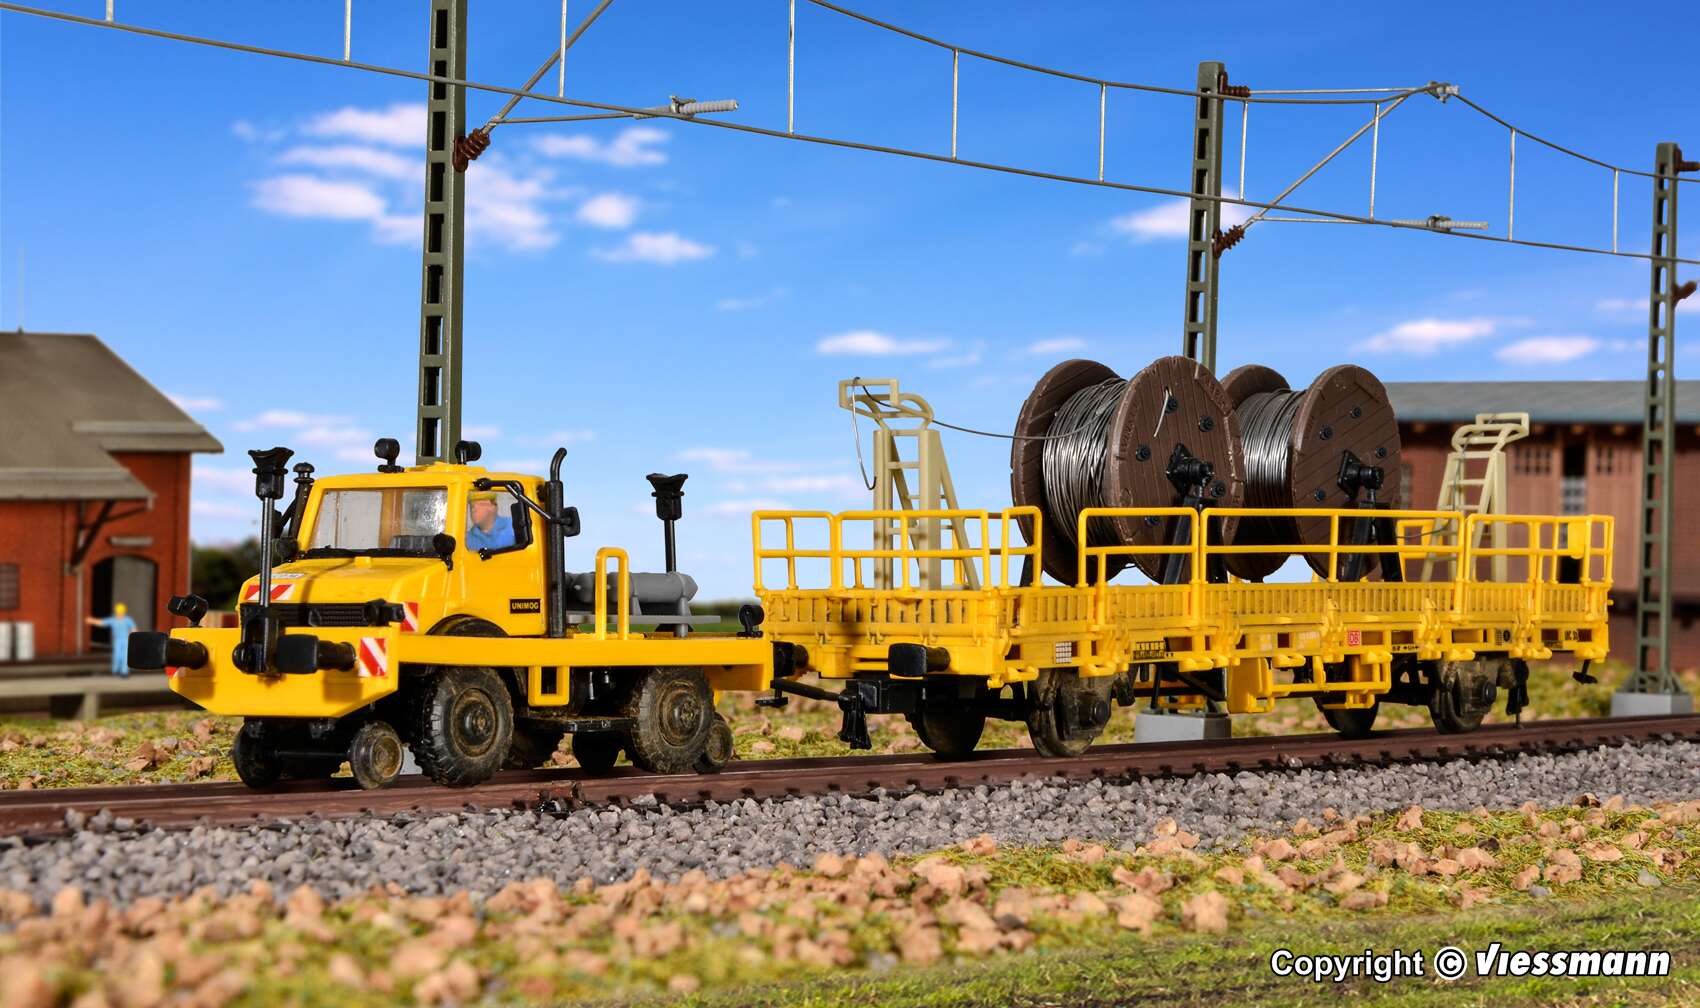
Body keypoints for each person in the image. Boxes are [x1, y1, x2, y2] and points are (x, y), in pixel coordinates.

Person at [85, 603, 137, 678]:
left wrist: (134, 638)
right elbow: (102, 623)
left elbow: (133, 629)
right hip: (117, 640)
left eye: (121, 612)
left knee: (125, 656)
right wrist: (92, 621)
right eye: (118, 612)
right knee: (117, 656)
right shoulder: (113, 620)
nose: (120, 614)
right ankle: (115, 670)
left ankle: (124, 672)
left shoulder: (128, 620)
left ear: (124, 612)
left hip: (126, 640)